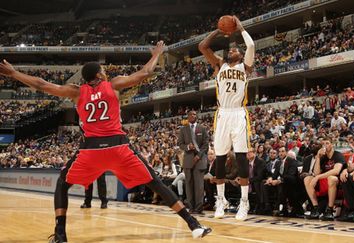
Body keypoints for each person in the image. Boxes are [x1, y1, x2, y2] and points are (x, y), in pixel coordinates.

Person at [0, 41, 211, 243]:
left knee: (62, 184)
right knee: (154, 181)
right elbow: (145, 73)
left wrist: (14, 73)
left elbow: (42, 84)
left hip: (90, 150)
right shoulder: (114, 84)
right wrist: (156, 55)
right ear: (99, 74)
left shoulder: (76, 92)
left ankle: (60, 235)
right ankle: (193, 224)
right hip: (118, 147)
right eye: (103, 70)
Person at [198, 15, 255, 221]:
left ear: (240, 55)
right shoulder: (219, 65)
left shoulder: (245, 68)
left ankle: (244, 202)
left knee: (240, 158)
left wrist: (240, 28)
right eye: (230, 49)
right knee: (220, 159)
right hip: (222, 114)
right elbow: (203, 46)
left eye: (235, 50)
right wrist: (218, 31)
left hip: (239, 113)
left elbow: (251, 46)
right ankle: (220, 201)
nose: (232, 50)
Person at [304, 136, 346, 220]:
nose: (325, 145)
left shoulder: (338, 155)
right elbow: (316, 173)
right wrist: (318, 158)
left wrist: (318, 177)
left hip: (337, 182)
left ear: (332, 145)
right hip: (324, 182)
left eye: (327, 143)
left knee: (331, 178)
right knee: (307, 179)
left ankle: (330, 210)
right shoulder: (322, 157)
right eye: (323, 144)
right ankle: (315, 208)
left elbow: (336, 171)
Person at [178, 110, 209, 214]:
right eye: (191, 114)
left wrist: (199, 156)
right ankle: (191, 208)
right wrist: (187, 146)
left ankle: (199, 208)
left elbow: (206, 145)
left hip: (200, 161)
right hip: (188, 160)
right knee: (189, 185)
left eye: (194, 114)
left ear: (197, 117)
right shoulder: (183, 130)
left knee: (199, 186)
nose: (192, 115)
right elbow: (180, 144)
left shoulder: (202, 128)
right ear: (188, 117)